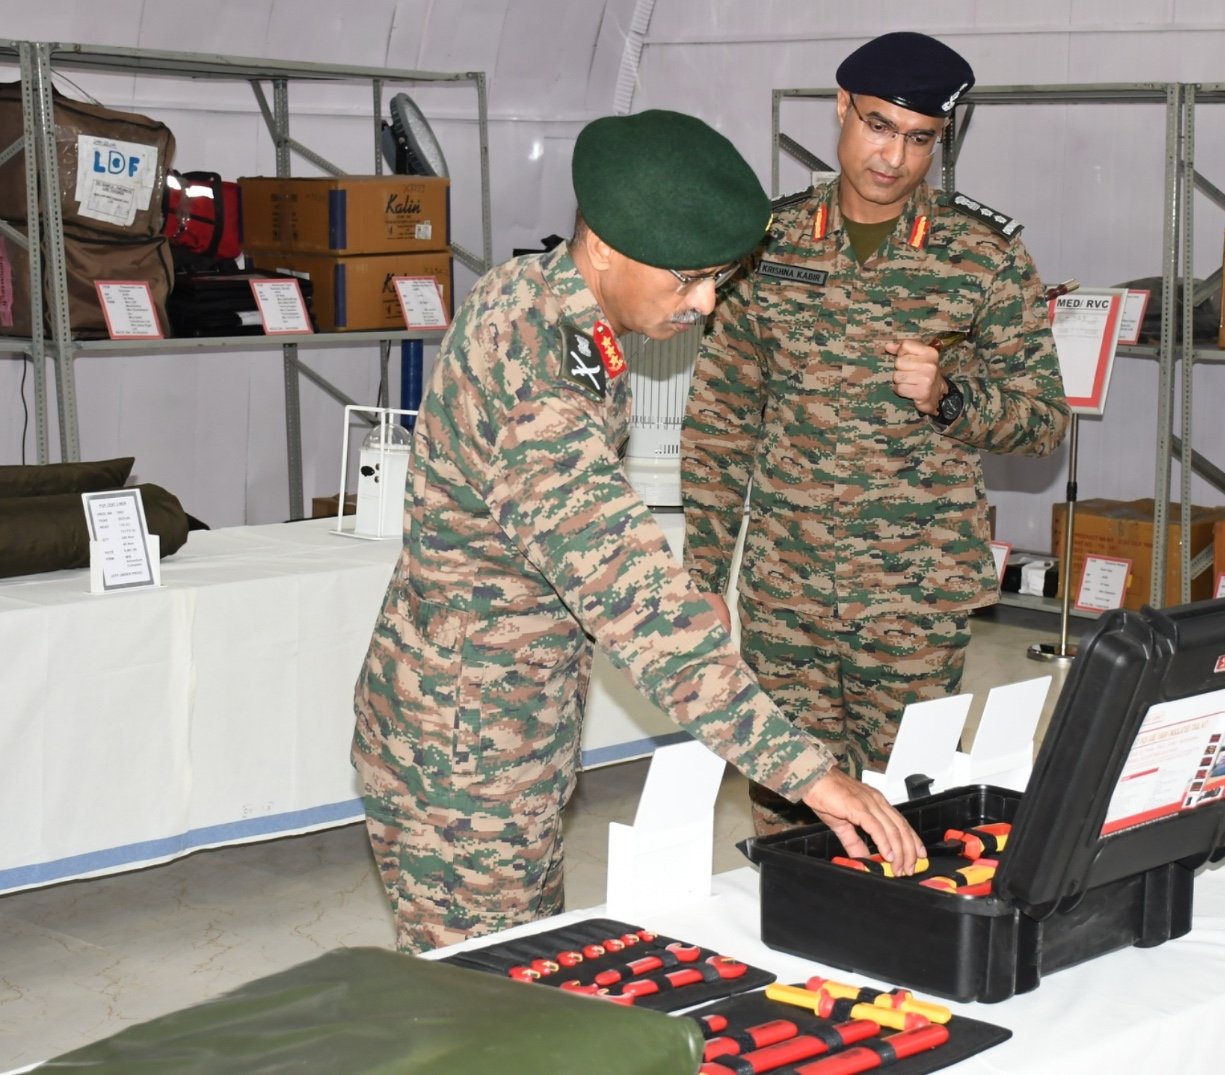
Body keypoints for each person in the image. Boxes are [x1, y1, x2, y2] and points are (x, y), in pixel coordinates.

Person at [351, 109, 923, 955]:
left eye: (719, 279)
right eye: (688, 277)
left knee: (519, 981)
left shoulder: (552, 300)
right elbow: (632, 599)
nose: (704, 303)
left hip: (504, 724)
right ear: (607, 246)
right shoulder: (537, 374)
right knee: (471, 1014)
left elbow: (576, 528)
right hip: (463, 754)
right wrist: (809, 773)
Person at [680, 32, 1071, 835]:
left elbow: (1044, 421)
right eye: (878, 125)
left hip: (912, 595)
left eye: (919, 137)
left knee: (909, 802)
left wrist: (953, 397)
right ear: (841, 110)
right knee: (789, 802)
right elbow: (721, 425)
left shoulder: (982, 258)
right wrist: (704, 577)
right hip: (785, 588)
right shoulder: (769, 243)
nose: (893, 156)